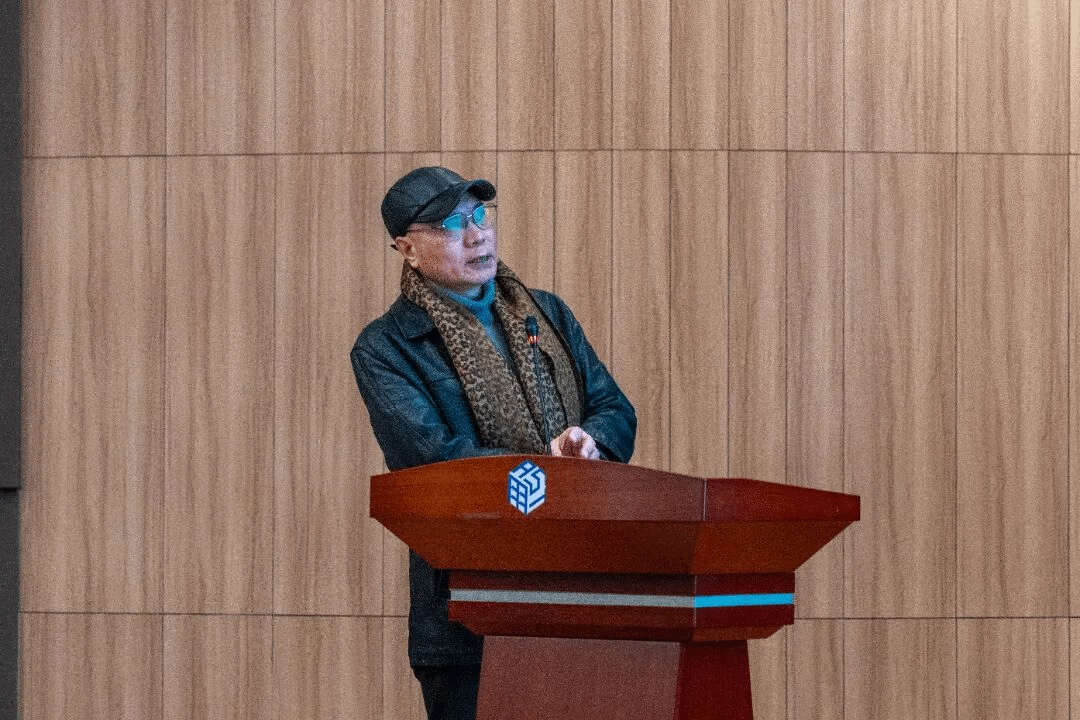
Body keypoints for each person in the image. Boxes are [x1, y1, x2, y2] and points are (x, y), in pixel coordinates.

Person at [350, 166, 636, 720]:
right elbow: (434, 464)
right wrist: (547, 469)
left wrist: (591, 443)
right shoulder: (387, 348)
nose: (477, 234)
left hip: (581, 593)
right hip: (469, 615)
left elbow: (614, 409)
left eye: (480, 215)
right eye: (452, 225)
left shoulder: (545, 314)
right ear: (408, 249)